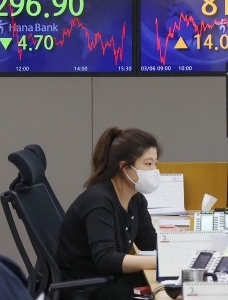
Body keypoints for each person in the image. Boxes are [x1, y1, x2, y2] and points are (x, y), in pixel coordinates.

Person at [55, 127, 161, 300]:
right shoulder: (99, 201)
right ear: (125, 168)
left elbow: (149, 242)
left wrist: (184, 249)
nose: (154, 170)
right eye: (148, 164)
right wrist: (158, 263)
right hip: (86, 286)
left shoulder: (136, 199)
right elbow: (105, 258)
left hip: (108, 278)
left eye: (155, 163)